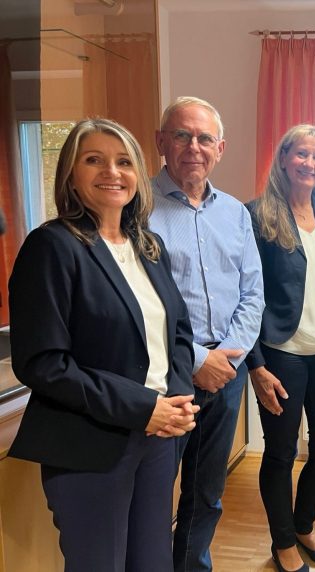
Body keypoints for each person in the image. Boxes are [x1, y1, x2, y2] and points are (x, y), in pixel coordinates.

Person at [8, 118, 198, 571]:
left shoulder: (149, 246)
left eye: (124, 162)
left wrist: (176, 398)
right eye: (94, 160)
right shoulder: (52, 246)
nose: (112, 172)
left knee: (153, 562)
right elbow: (43, 363)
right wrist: (144, 407)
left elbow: (179, 333)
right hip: (90, 442)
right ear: (71, 174)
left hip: (157, 436)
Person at [150, 96, 264, 572]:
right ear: (161, 142)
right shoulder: (137, 208)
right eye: (182, 135)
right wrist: (198, 359)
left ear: (221, 148)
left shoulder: (236, 213)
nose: (193, 147)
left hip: (228, 374)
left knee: (206, 491)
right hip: (166, 376)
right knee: (153, 493)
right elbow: (139, 303)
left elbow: (252, 294)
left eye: (204, 138)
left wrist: (227, 359)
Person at [245, 125, 315, 572]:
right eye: (302, 154)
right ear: (284, 158)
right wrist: (255, 364)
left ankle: (303, 524)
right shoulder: (257, 214)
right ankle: (283, 543)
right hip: (281, 353)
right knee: (281, 453)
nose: (310, 164)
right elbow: (247, 293)